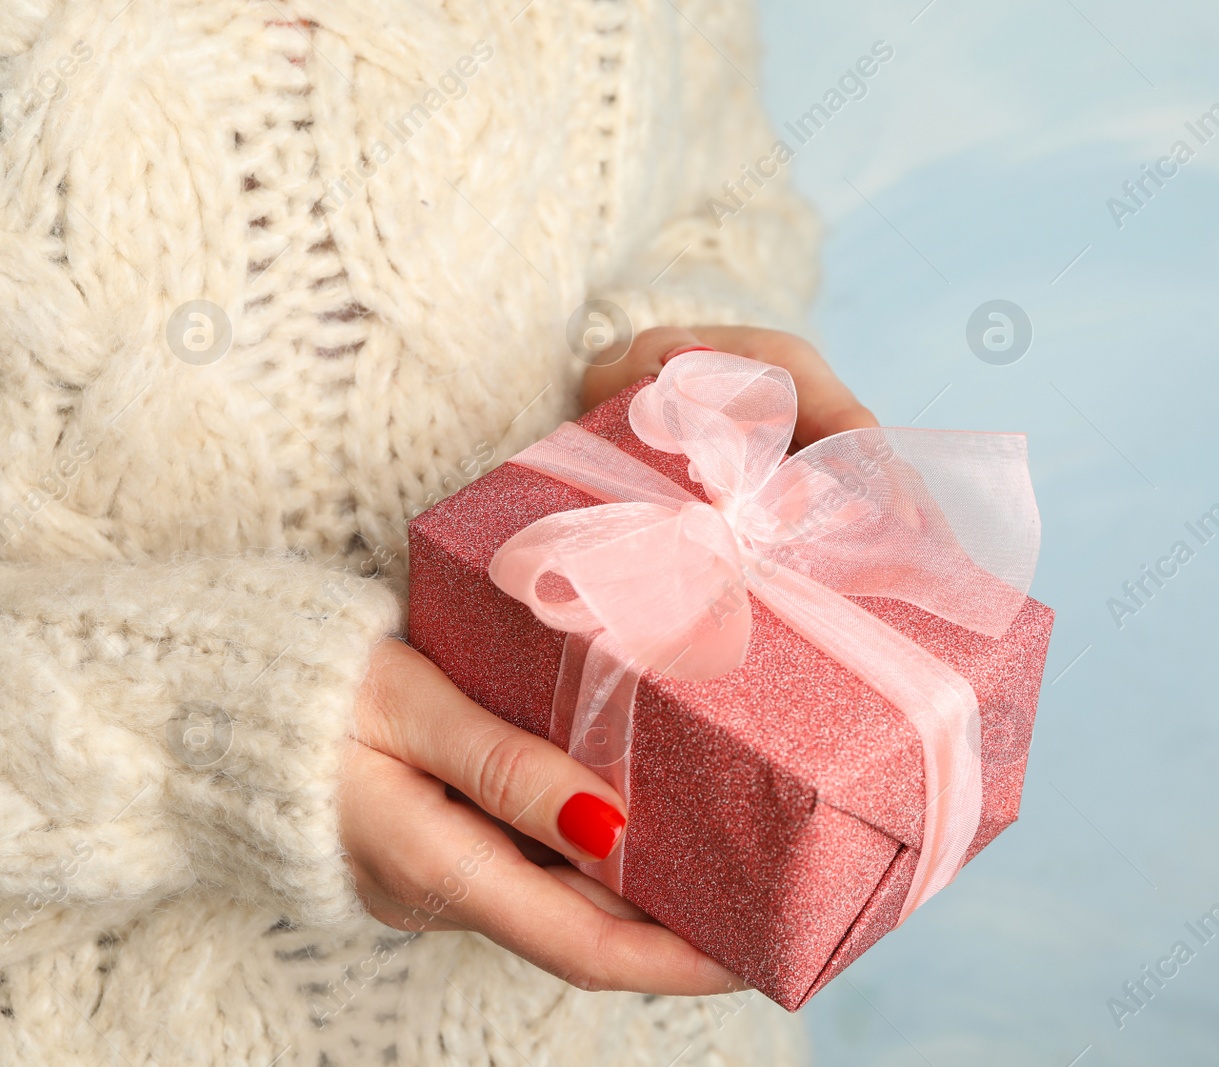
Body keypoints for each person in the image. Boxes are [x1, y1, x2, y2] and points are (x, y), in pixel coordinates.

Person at [0, 2, 873, 1063]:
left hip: (625, 1026)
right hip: (89, 1013)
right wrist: (200, 723)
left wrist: (667, 366)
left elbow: (712, 203)